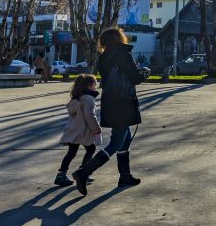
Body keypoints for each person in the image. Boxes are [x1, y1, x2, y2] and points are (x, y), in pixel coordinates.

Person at [72, 27, 149, 196]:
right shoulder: (123, 55)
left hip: (110, 102)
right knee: (116, 142)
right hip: (123, 103)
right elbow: (135, 78)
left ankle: (125, 176)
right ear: (120, 38)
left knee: (125, 139)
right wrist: (144, 72)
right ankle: (83, 173)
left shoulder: (104, 58)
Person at [55, 74, 102, 186]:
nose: (96, 86)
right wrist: (96, 129)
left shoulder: (76, 98)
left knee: (71, 153)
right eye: (95, 84)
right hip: (83, 130)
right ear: (89, 86)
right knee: (91, 149)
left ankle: (61, 175)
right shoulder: (89, 99)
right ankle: (83, 172)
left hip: (73, 130)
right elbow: (90, 116)